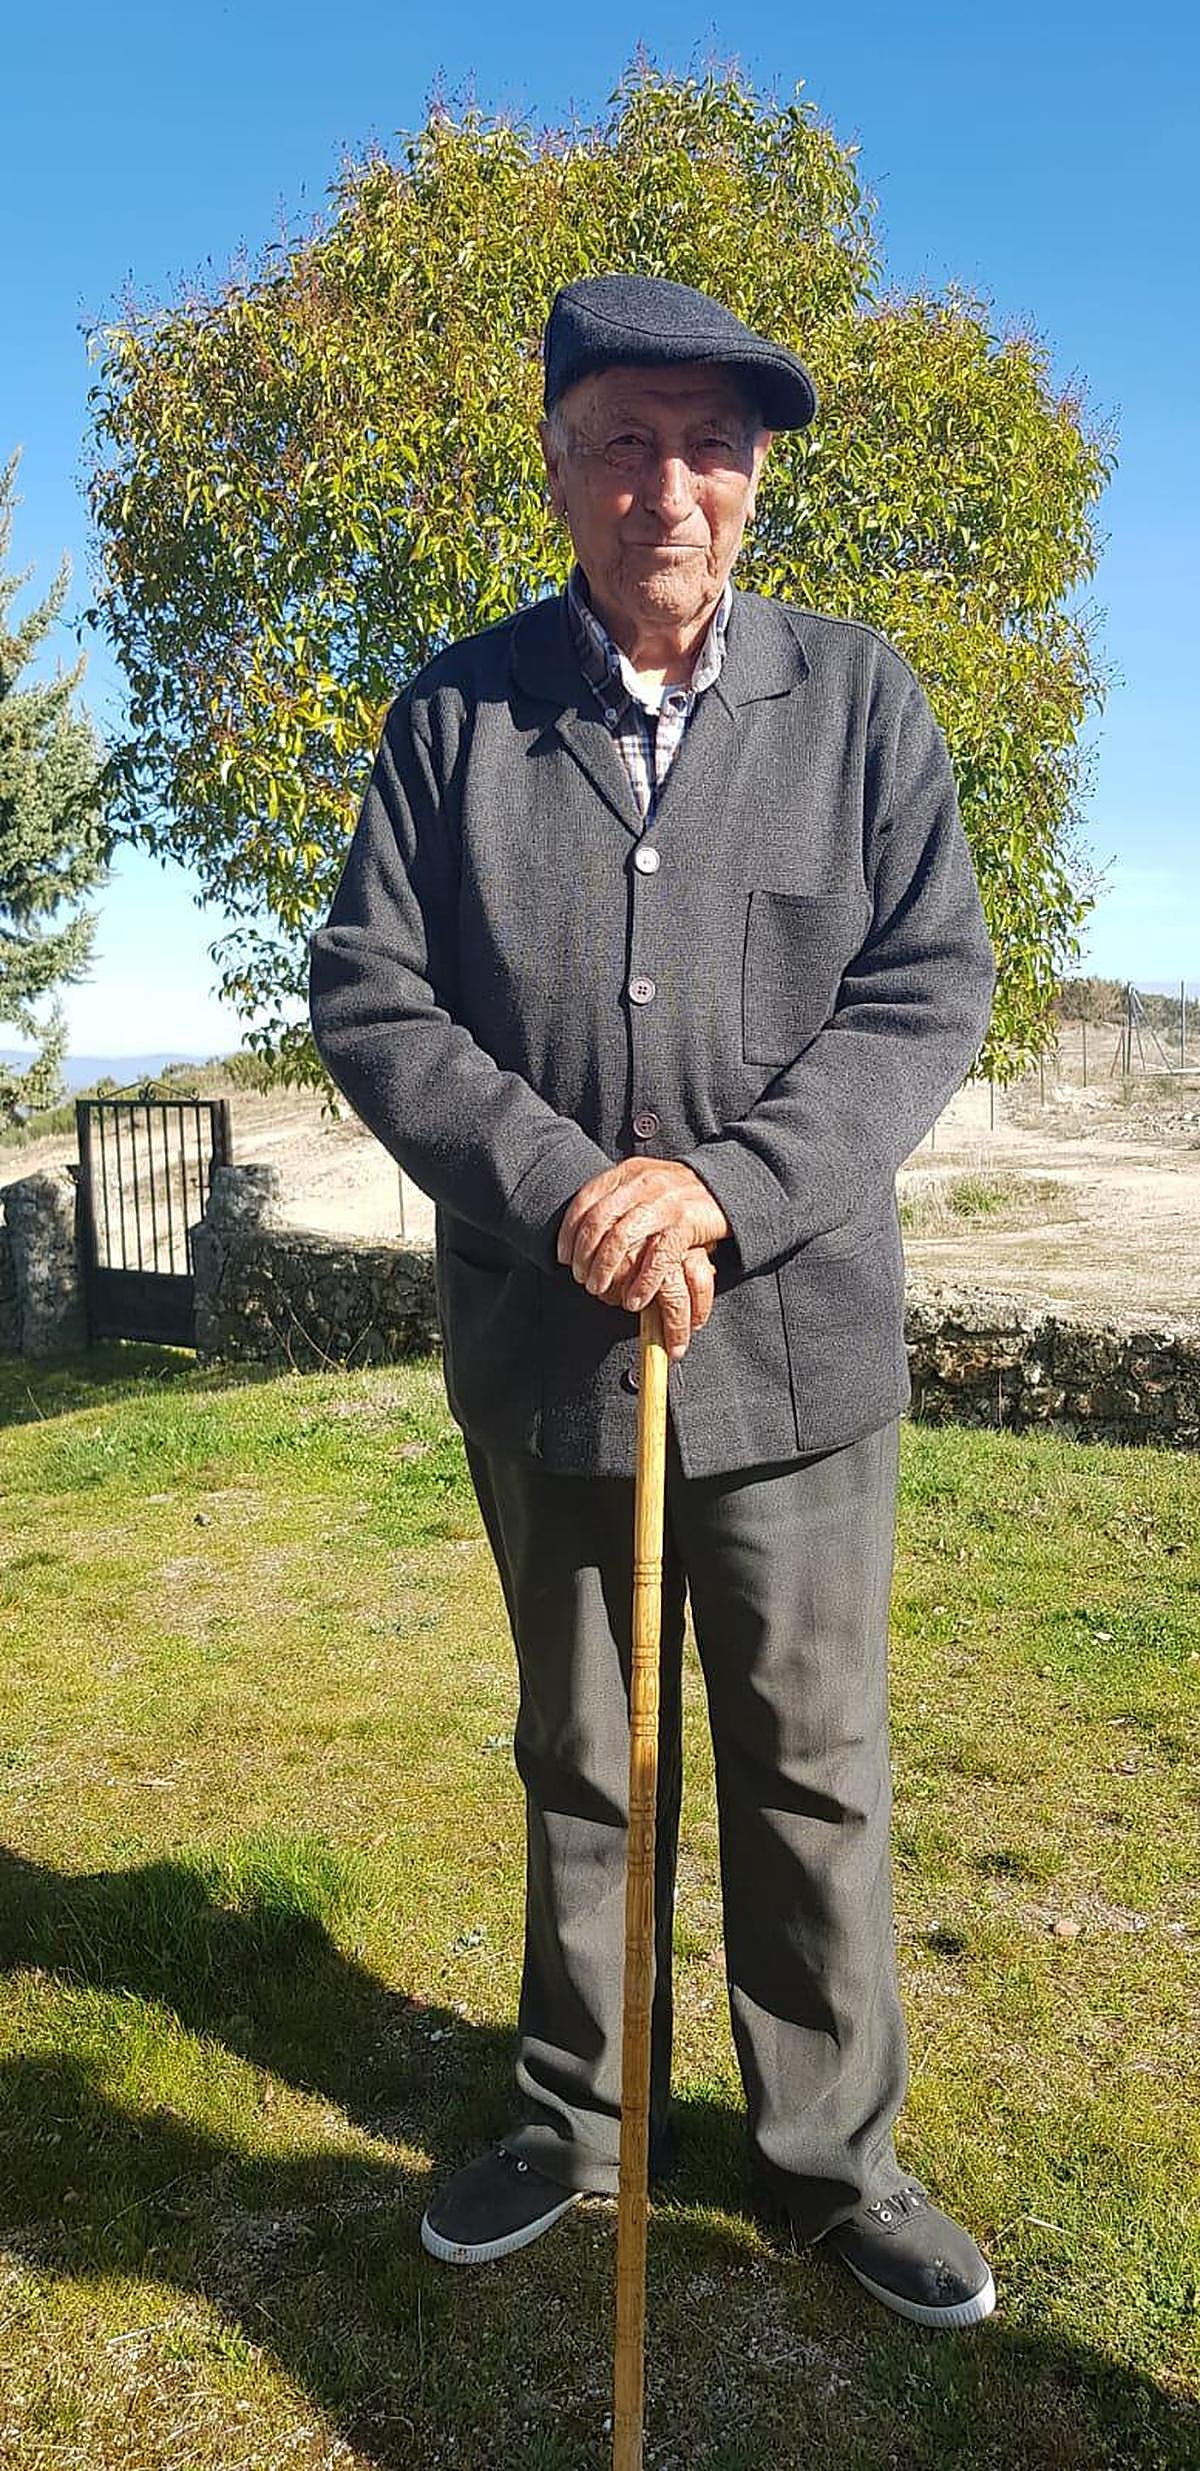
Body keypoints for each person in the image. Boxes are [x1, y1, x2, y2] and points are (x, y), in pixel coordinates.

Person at [308, 273, 999, 2329]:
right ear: (556, 462)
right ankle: (577, 2119)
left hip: (798, 1360)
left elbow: (923, 992)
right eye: (623, 438)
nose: (666, 484)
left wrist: (718, 1191)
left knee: (812, 1762)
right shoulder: (454, 714)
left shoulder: (863, 702)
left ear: (757, 478)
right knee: (586, 1757)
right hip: (547, 1360)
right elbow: (372, 993)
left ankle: (824, 2161)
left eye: (708, 444)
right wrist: (564, 1193)